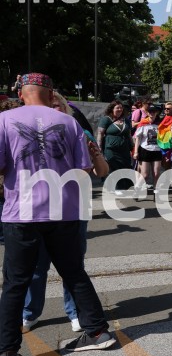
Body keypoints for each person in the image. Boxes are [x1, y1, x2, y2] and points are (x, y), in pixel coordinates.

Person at [0, 73, 116, 356]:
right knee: (74, 273)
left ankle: (6, 351)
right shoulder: (69, 123)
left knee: (15, 283)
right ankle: (98, 332)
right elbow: (86, 168)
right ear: (51, 94)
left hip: (22, 212)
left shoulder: (5, 120)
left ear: (22, 93)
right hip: (63, 211)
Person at [22, 91, 109, 333]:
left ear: (65, 108)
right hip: (39, 209)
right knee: (37, 265)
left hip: (73, 209)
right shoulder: (32, 135)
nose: (54, 109)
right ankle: (30, 312)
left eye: (58, 105)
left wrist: (95, 155)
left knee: (72, 265)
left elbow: (101, 172)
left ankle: (74, 312)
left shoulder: (81, 132)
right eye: (50, 105)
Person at [97, 100, 133, 194]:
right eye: (117, 108)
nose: (120, 109)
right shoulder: (106, 119)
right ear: (112, 109)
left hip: (124, 149)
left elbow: (129, 135)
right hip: (110, 149)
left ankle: (122, 187)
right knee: (113, 167)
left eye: (121, 108)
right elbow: (100, 134)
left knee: (124, 167)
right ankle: (114, 187)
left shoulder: (126, 120)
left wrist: (132, 147)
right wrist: (99, 148)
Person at [132, 104, 163, 193]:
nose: (152, 113)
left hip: (157, 150)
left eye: (154, 112)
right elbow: (138, 138)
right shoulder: (143, 123)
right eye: (150, 112)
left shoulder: (160, 123)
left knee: (156, 173)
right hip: (145, 150)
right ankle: (137, 188)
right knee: (145, 175)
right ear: (147, 113)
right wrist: (136, 152)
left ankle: (156, 190)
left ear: (157, 113)